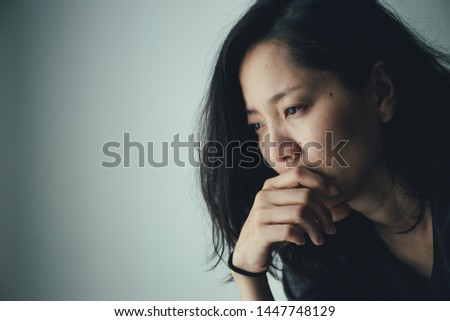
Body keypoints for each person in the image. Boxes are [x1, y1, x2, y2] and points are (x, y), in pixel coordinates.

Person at [198, 0, 450, 300]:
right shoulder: (320, 250)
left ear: (380, 92)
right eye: (257, 126)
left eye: (292, 109)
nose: (277, 150)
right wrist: (247, 273)